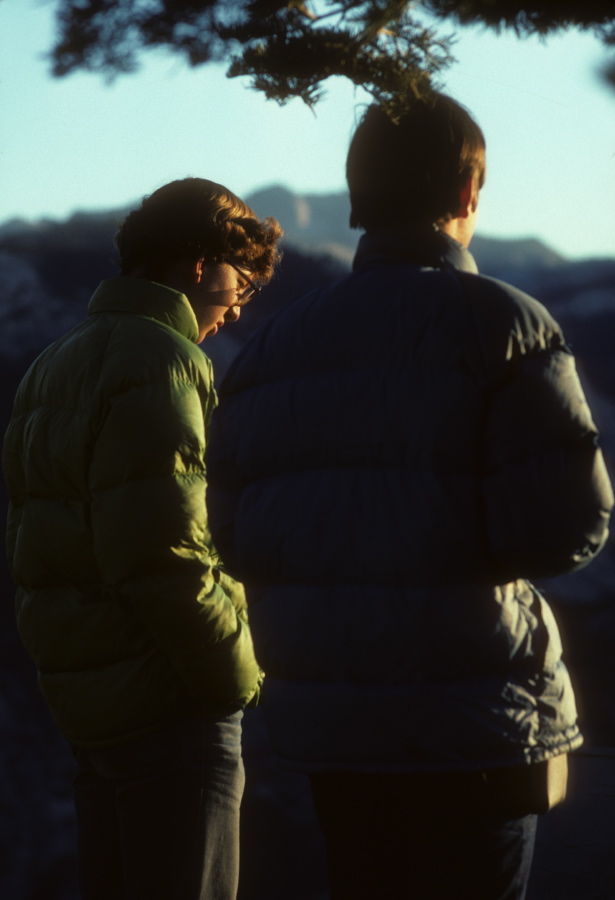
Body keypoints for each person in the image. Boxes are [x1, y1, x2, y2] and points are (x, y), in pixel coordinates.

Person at [205, 95, 614, 900]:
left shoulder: (270, 349)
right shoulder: (504, 324)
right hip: (476, 731)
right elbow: (562, 528)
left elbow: (236, 538)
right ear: (465, 196)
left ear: (358, 197)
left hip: (331, 732)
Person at [2, 177, 282, 900]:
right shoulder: (163, 359)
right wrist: (236, 674)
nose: (236, 307)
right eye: (239, 283)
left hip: (93, 706)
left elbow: (39, 544)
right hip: (170, 703)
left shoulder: (53, 363)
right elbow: (163, 553)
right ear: (198, 265)